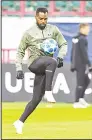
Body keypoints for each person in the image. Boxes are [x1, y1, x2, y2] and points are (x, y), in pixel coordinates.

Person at [13, 7, 67, 134]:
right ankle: (49, 91)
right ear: (36, 17)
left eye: (46, 19)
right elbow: (20, 51)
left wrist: (60, 56)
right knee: (51, 61)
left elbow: (63, 44)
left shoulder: (53, 30)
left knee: (36, 98)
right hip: (34, 63)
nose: (43, 21)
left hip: (46, 67)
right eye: (41, 19)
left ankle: (19, 122)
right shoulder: (29, 33)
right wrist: (19, 68)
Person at [71, 23, 92, 108]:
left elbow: (73, 52)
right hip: (81, 64)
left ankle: (81, 99)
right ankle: (76, 102)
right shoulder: (82, 39)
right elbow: (84, 53)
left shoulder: (76, 38)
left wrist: (73, 64)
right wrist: (89, 64)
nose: (88, 30)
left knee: (86, 80)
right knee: (80, 82)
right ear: (82, 29)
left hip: (77, 63)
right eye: (87, 29)